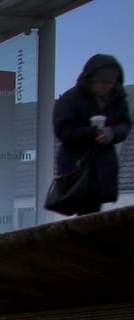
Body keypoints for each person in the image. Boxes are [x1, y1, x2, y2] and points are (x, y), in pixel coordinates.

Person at [51, 54, 130, 215]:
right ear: (91, 81)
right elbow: (63, 130)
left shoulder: (118, 99)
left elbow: (125, 124)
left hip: (102, 166)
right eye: (102, 83)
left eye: (110, 83)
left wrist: (112, 133)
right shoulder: (71, 99)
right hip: (77, 165)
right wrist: (92, 133)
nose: (106, 87)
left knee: (93, 208)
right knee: (80, 207)